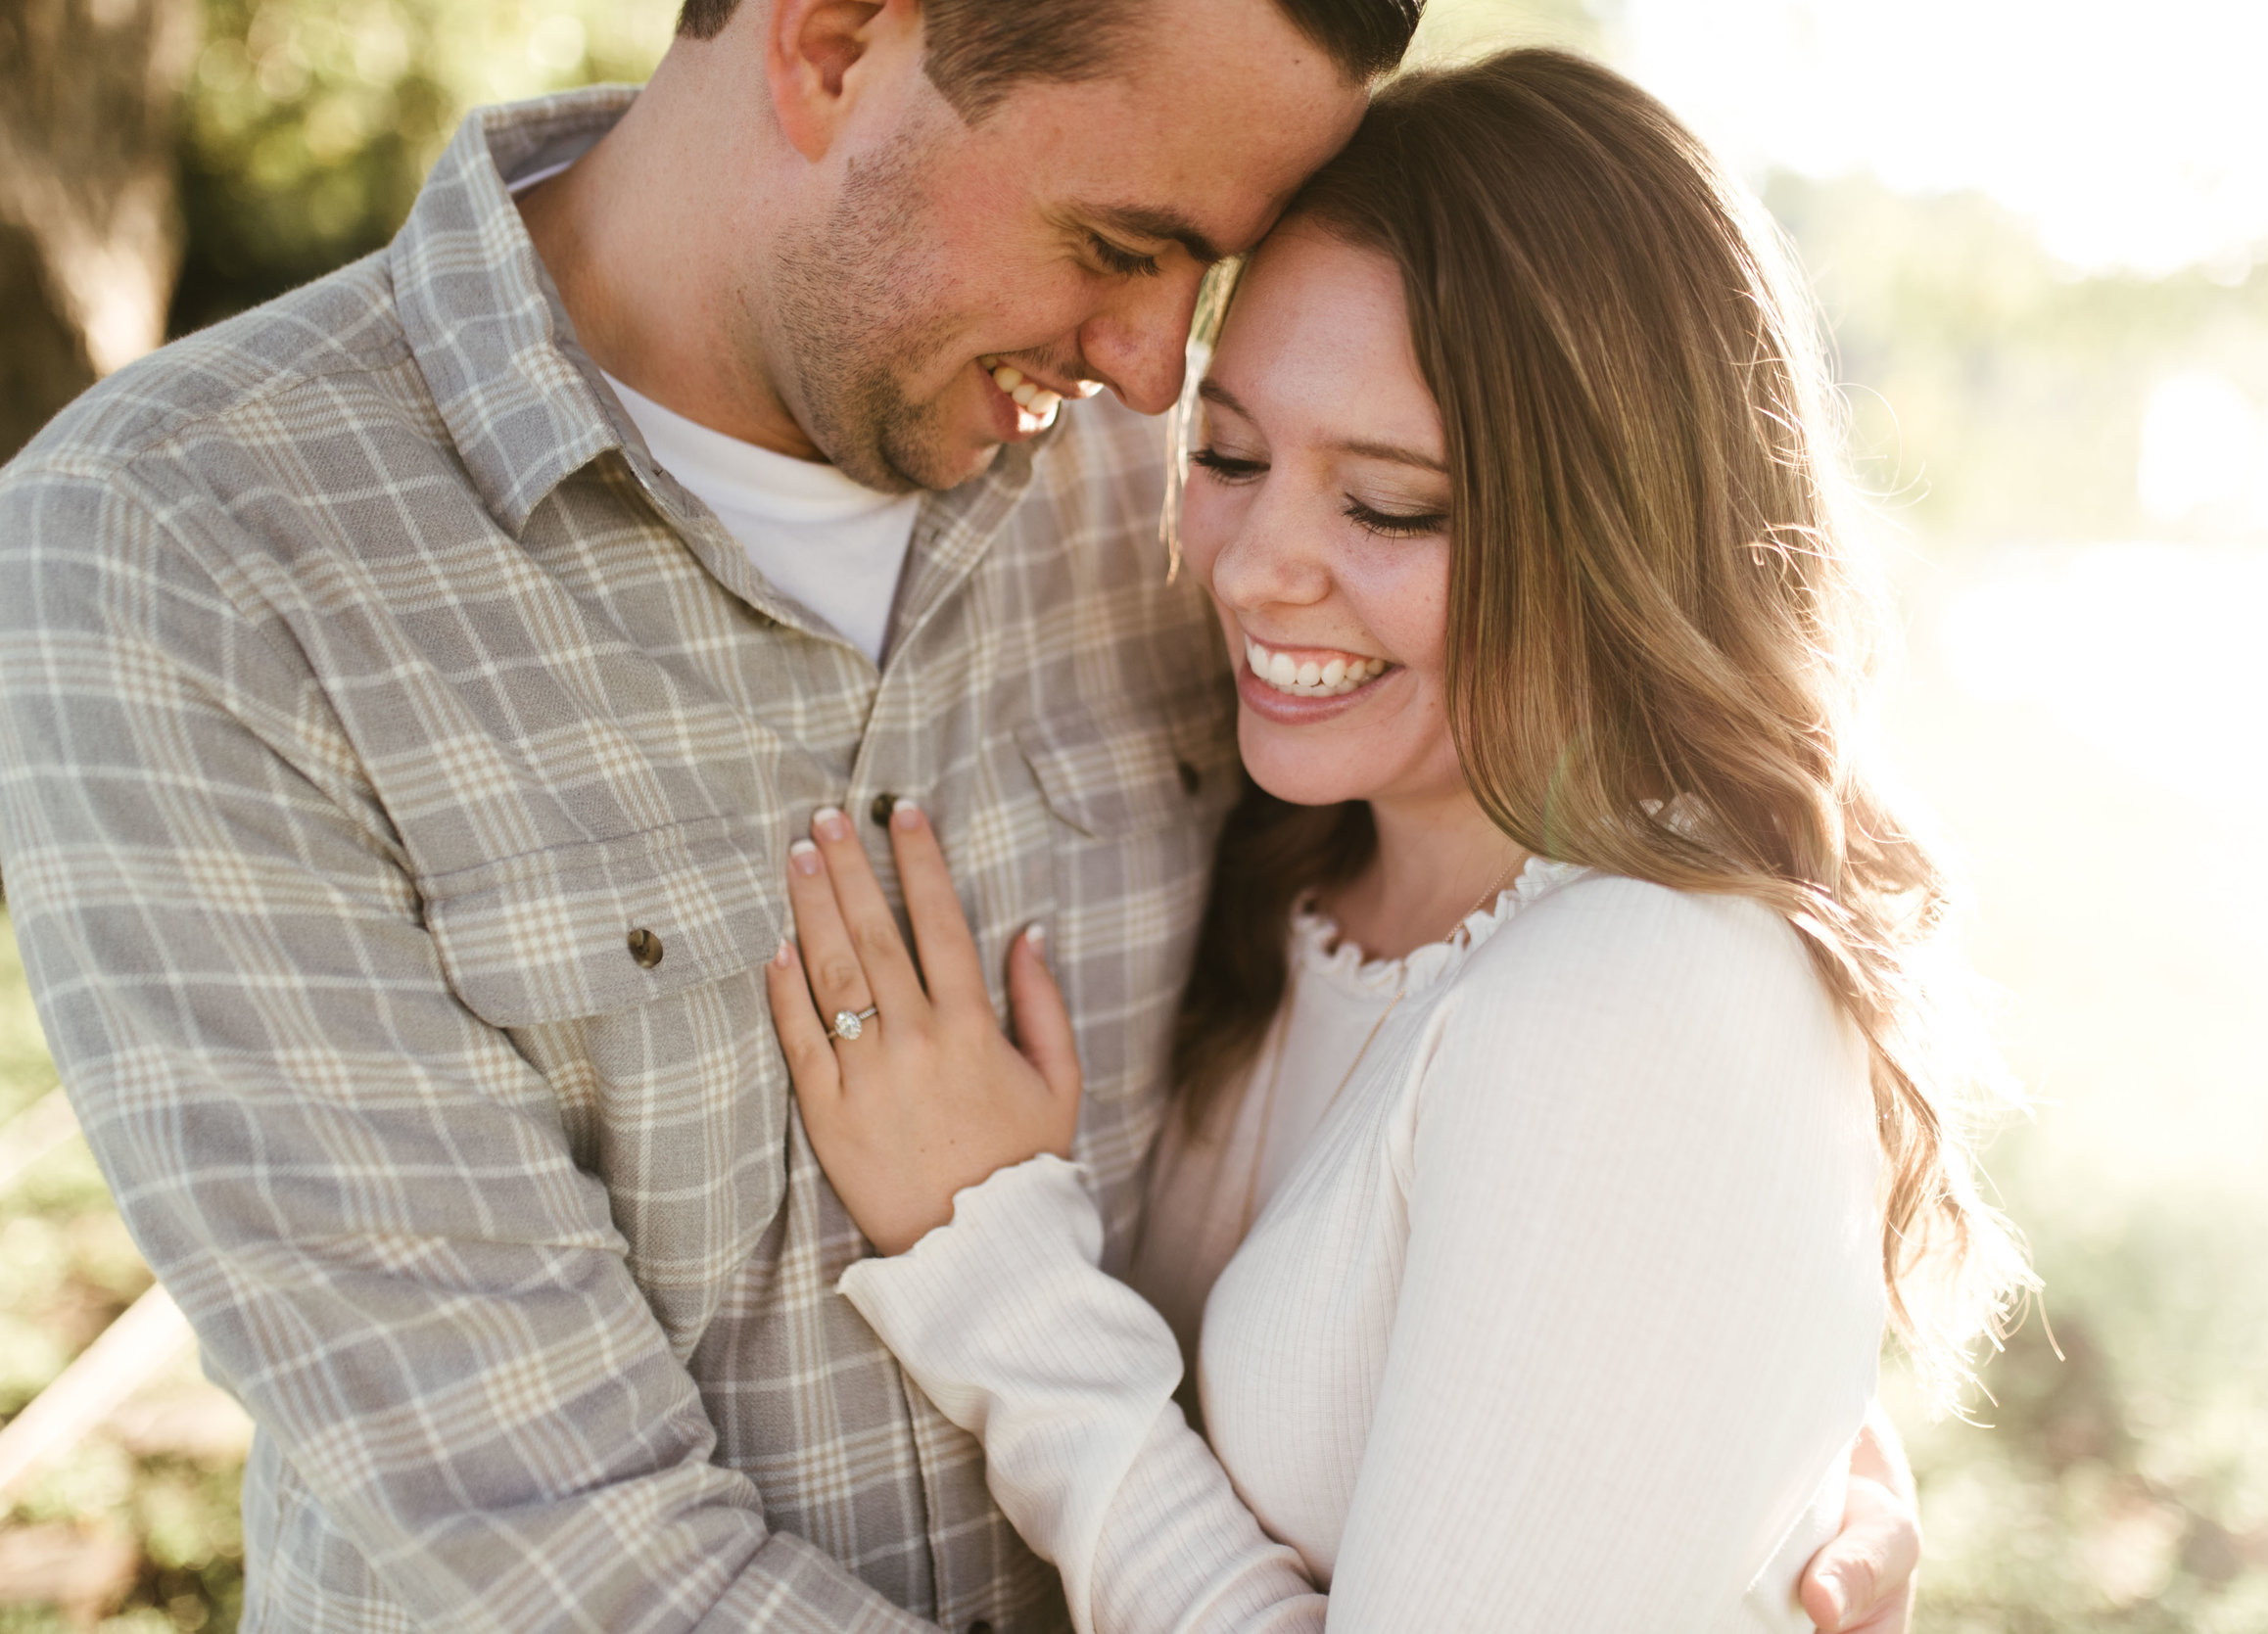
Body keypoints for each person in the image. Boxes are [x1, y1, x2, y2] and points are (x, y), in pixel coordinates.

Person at [0, 1, 1917, 1627]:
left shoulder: (1170, 468)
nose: (1159, 378)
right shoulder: (192, 558)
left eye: (1208, 271)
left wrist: (1684, 1416)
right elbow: (557, 1548)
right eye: (1118, 240)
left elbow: (1540, 1083)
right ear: (835, 41)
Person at [768, 49, 2029, 1632]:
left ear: (1620, 530)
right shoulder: (1288, 868)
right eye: (1226, 457)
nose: (1255, 569)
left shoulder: (1649, 991)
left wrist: (1001, 1285)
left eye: (1390, 505)